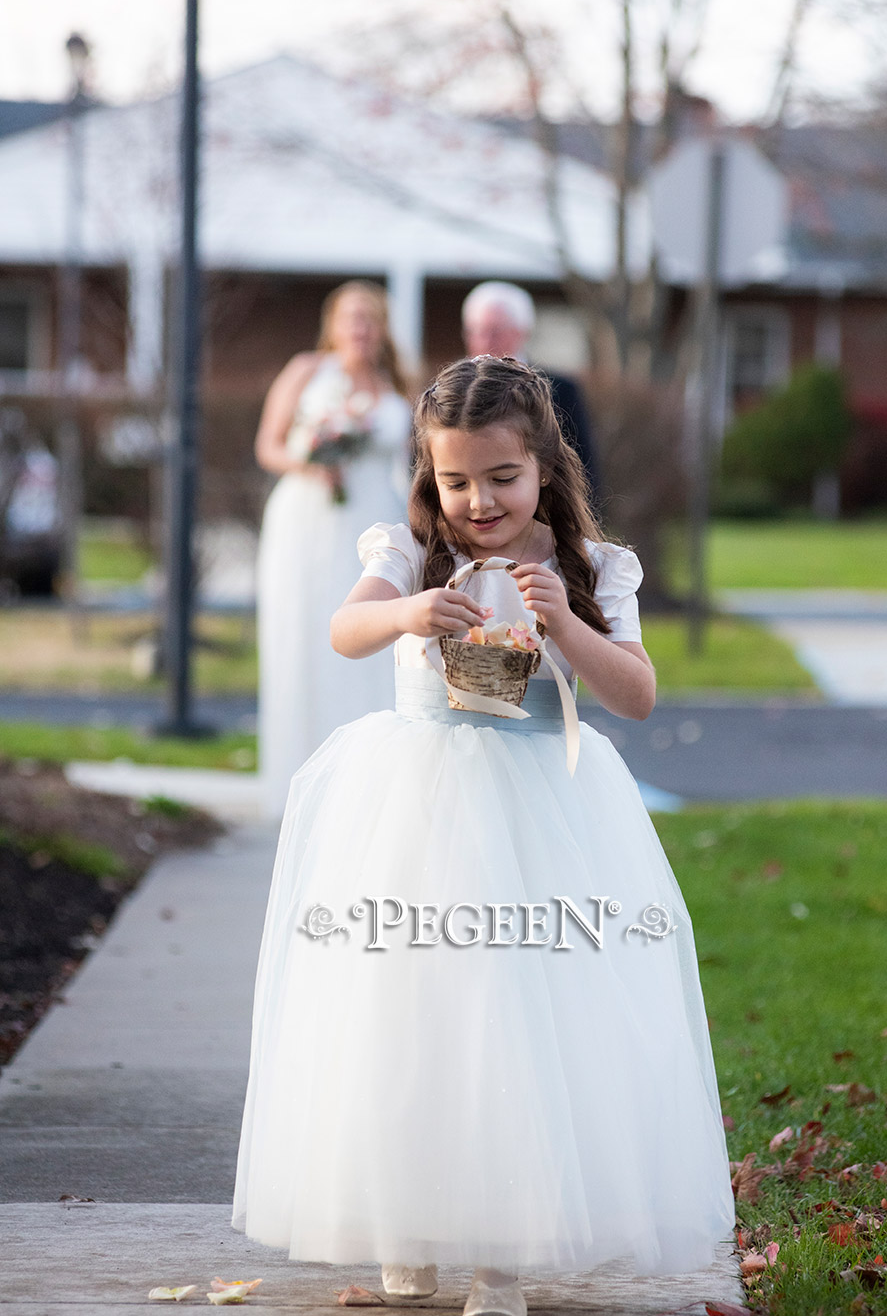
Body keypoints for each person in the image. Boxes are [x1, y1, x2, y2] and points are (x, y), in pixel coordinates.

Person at [231, 356, 735, 1315]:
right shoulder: (408, 548)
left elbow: (635, 692)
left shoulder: (591, 564)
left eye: (501, 478)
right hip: (415, 811)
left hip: (543, 813)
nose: (478, 500)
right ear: (430, 473)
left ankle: (501, 1258)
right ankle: (408, 1229)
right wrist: (409, 610)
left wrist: (565, 626)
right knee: (410, 1019)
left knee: (515, 1020)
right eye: (456, 480)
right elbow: (346, 630)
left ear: (543, 464)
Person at [254, 279, 413, 819]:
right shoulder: (306, 371)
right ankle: (300, 772)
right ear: (333, 324)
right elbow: (268, 446)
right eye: (351, 317)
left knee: (375, 631)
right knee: (309, 633)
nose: (360, 328)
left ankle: (371, 777)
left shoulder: (396, 383)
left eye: (370, 317)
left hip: (374, 517)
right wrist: (313, 461)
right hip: (308, 522)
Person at [462, 280, 603, 507]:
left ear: (522, 333)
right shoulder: (449, 394)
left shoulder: (560, 391)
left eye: (494, 331)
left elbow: (583, 467)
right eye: (475, 331)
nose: (484, 341)